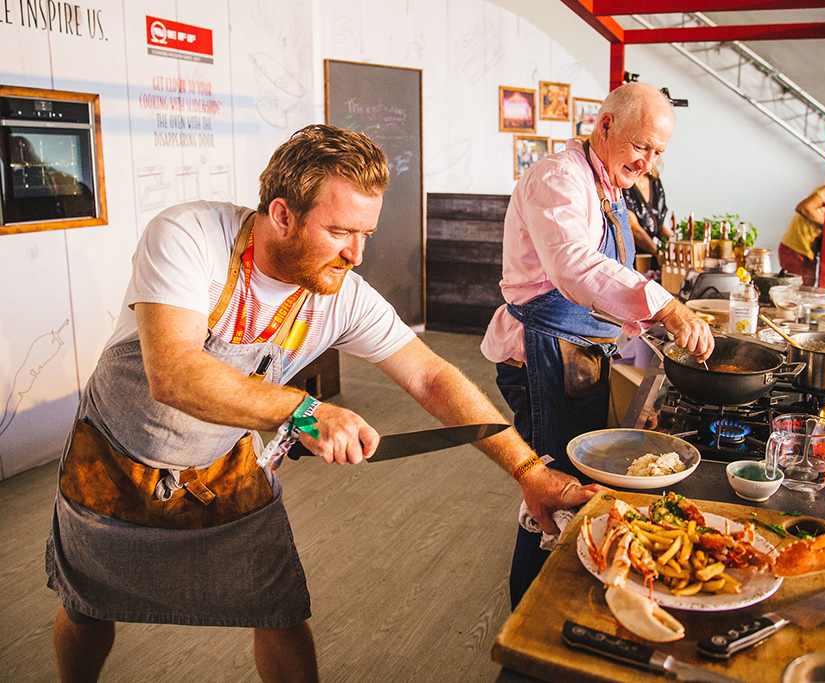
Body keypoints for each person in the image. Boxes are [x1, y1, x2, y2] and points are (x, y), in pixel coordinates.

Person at [44, 125, 600, 683]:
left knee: (279, 609)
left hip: (221, 464)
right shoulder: (189, 236)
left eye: (366, 233)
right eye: (339, 231)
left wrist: (529, 470)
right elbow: (174, 375)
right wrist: (306, 411)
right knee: (87, 607)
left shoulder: (341, 294)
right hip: (114, 457)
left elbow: (432, 377)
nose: (356, 255)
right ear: (282, 214)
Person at [480, 82, 714, 607]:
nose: (648, 164)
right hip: (541, 353)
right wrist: (667, 308)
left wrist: (644, 330)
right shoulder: (559, 180)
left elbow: (606, 285)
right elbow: (575, 269)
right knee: (551, 490)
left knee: (574, 488)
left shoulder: (604, 183)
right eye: (641, 147)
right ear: (604, 125)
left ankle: (559, 607)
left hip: (576, 354)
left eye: (658, 153)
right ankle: (530, 621)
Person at [624, 166, 672, 259]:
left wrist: (676, 245)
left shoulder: (655, 181)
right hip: (637, 259)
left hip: (652, 256)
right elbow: (635, 229)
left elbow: (659, 226)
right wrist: (658, 253)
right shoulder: (626, 184)